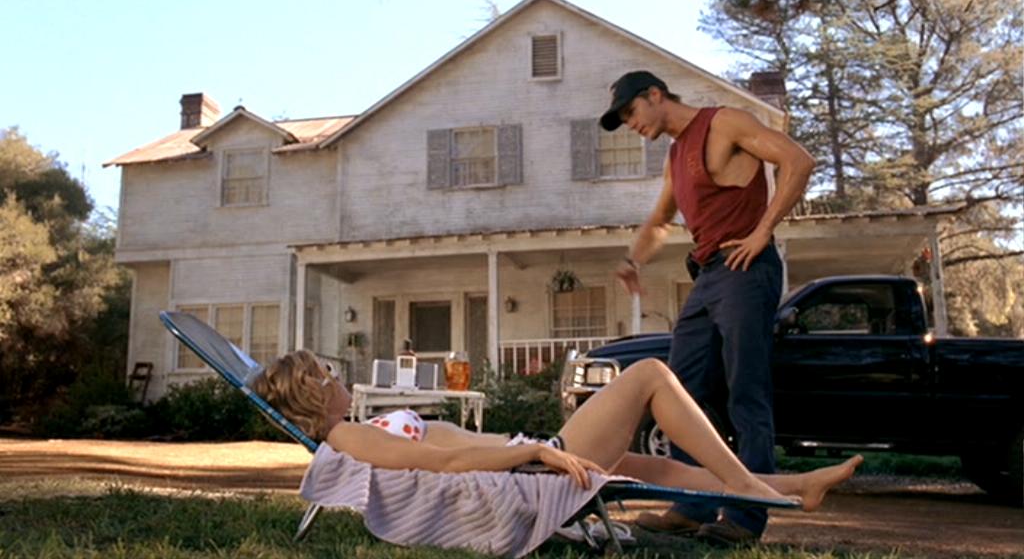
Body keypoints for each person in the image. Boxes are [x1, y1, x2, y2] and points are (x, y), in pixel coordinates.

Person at [251, 349, 861, 520]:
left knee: (654, 469)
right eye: (325, 373)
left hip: (535, 457)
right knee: (649, 375)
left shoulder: (355, 431)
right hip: (538, 469)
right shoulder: (348, 438)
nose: (336, 377)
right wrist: (538, 451)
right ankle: (751, 490)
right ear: (314, 392)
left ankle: (794, 486)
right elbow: (444, 464)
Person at [600, 70, 816, 544]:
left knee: (746, 391)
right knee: (682, 392)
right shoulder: (676, 156)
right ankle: (692, 504)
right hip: (708, 274)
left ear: (656, 94)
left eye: (631, 112)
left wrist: (762, 232)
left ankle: (747, 515)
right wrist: (632, 260)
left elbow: (798, 161)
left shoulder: (724, 124)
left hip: (745, 267)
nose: (631, 123)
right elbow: (660, 220)